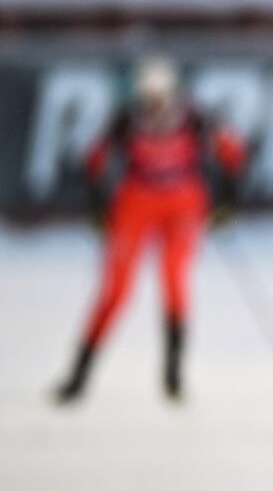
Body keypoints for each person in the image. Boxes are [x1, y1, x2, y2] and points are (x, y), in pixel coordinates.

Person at [54, 56, 245, 404]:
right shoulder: (127, 119)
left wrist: (227, 199)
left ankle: (173, 375)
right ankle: (79, 376)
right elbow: (94, 158)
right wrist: (97, 205)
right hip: (136, 203)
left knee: (175, 280)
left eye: (161, 99)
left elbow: (233, 150)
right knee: (115, 291)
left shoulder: (194, 118)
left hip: (182, 204)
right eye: (148, 99)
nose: (155, 108)